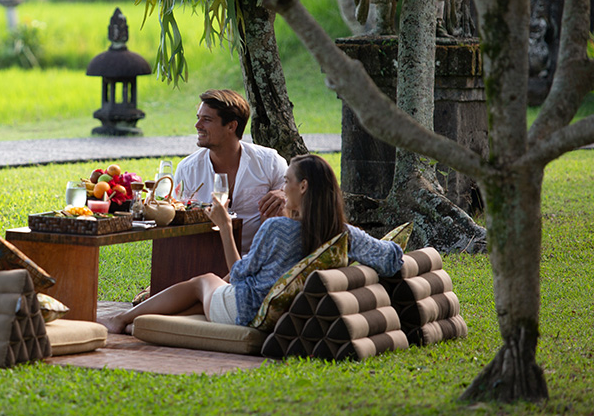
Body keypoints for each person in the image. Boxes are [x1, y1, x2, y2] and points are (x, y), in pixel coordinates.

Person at [100, 154, 404, 334]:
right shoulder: (345, 234)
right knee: (207, 291)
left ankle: (121, 318)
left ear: (303, 186)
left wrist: (224, 226)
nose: (283, 188)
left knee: (203, 281)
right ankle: (141, 322)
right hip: (272, 307)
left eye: (286, 182)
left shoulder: (277, 228)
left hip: (245, 311)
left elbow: (240, 273)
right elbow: (392, 258)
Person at [173, 89, 288, 251]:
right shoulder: (188, 169)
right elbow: (176, 219)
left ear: (231, 126)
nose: (197, 125)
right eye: (199, 118)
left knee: (281, 208)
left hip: (259, 260)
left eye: (206, 119)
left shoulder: (269, 162)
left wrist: (285, 194)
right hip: (206, 258)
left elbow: (300, 203)